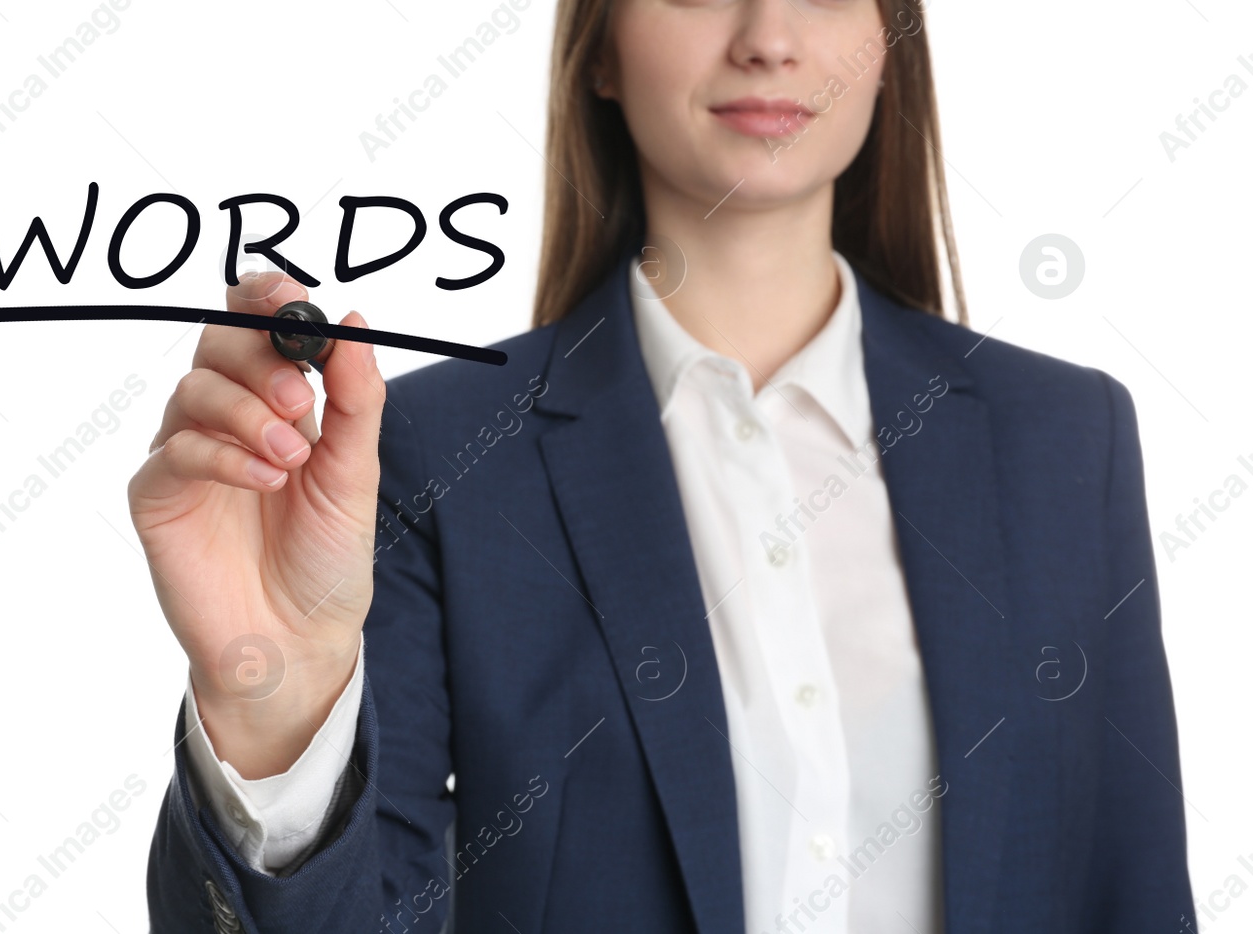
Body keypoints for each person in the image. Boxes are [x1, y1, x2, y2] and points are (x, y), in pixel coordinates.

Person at [129, 0, 1196, 931]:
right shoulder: (444, 456)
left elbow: (1132, 892)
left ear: (889, 44)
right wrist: (268, 700)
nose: (768, 38)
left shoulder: (1063, 440)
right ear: (599, 48)